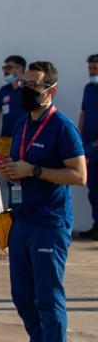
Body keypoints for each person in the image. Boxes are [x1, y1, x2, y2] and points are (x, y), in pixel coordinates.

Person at [0, 62, 87, 342]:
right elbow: (21, 167)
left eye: (33, 86)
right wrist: (10, 170)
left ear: (51, 91)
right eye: (23, 84)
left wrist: (33, 170)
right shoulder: (22, 124)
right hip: (23, 219)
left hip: (50, 222)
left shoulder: (62, 128)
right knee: (23, 296)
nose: (26, 91)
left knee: (48, 296)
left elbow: (79, 175)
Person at [78, 53, 98, 241]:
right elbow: (83, 114)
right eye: (90, 68)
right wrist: (79, 139)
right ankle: (96, 225)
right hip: (89, 146)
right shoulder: (88, 89)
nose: (92, 72)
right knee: (93, 187)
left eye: (95, 69)